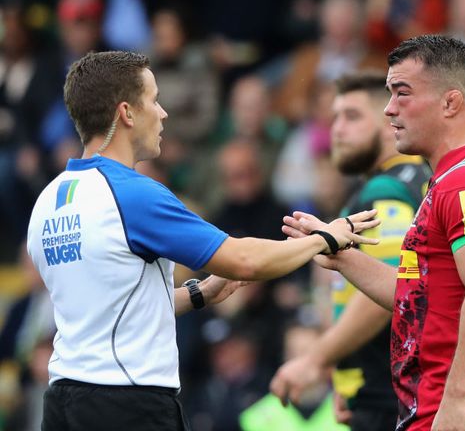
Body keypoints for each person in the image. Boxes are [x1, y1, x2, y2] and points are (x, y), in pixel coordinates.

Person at [25, 50, 379, 431]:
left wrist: (201, 295)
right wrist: (325, 237)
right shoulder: (133, 194)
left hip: (62, 403)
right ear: (127, 113)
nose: (162, 113)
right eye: (154, 99)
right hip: (128, 404)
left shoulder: (48, 201)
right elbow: (243, 259)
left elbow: (110, 309)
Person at [281, 34, 465, 431]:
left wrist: (457, 398)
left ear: (451, 102)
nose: (390, 110)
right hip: (432, 403)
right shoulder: (450, 179)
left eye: (402, 93)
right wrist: (339, 252)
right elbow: (417, 294)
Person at [270, 72, 432, 431]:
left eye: (353, 116)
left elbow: (391, 290)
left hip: (387, 393)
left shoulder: (387, 190)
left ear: (391, 122)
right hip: (383, 386)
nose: (338, 130)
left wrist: (316, 358)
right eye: (335, 118)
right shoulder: (414, 180)